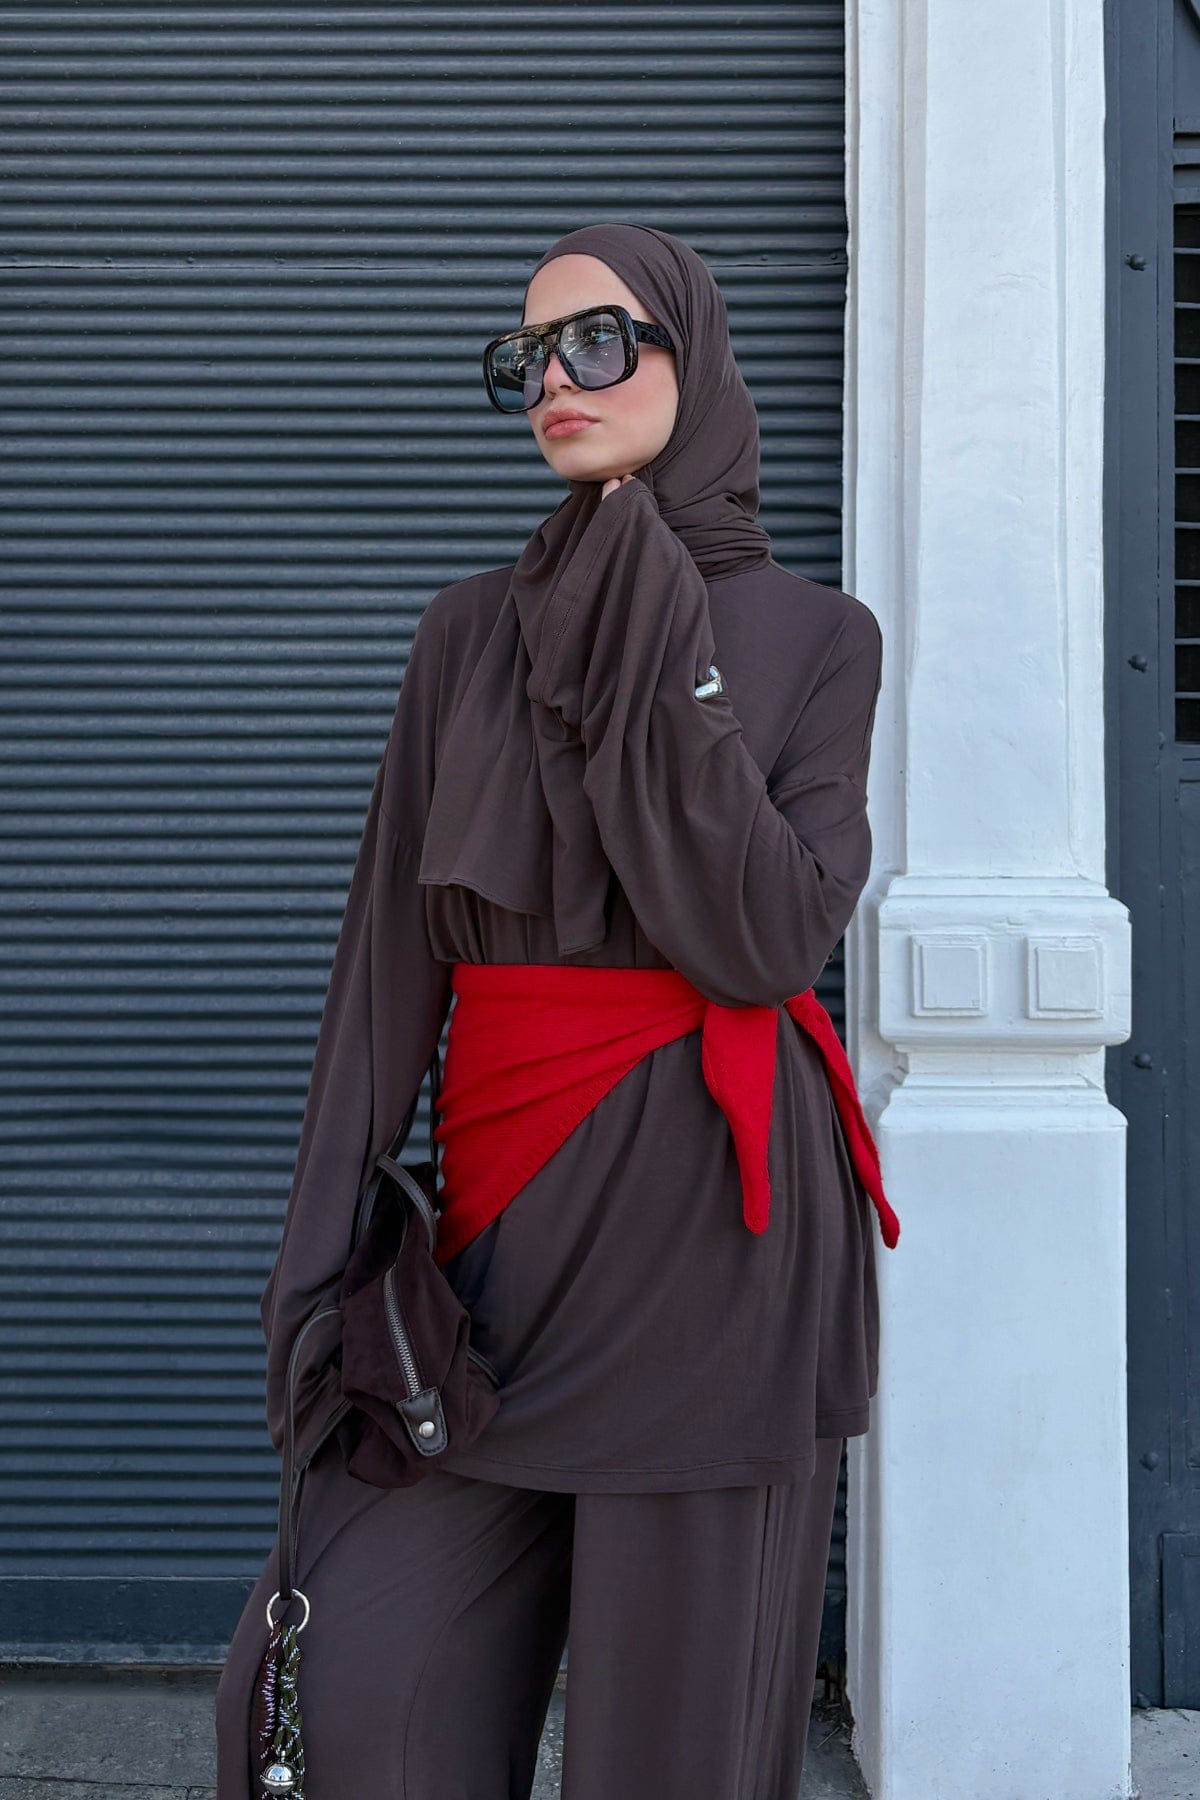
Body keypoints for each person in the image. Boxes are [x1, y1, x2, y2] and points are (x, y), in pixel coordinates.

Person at [214, 221, 897, 1800]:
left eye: (597, 341)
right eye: (525, 357)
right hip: (501, 1240)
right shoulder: (469, 632)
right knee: (351, 1687)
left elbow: (768, 937)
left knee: (675, 1747)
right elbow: (381, 977)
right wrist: (310, 1279)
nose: (553, 383)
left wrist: (661, 630)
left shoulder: (818, 642)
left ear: (693, 360)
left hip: (721, 1245)